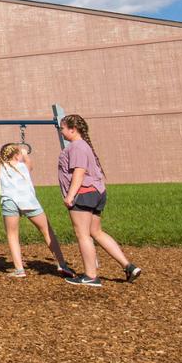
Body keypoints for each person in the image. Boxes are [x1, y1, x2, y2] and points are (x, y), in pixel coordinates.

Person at [57, 114, 140, 288]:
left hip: (84, 194)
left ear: (73, 129)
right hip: (96, 192)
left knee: (83, 234)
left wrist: (70, 196)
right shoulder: (83, 146)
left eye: (63, 127)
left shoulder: (77, 147)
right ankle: (128, 266)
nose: (61, 130)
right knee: (96, 232)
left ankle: (90, 276)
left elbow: (79, 172)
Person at [0, 136, 70, 279]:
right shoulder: (25, 166)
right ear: (17, 156)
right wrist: (25, 152)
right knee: (47, 231)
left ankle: (19, 269)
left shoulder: (0, 168)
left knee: (12, 235)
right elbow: (29, 161)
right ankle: (62, 264)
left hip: (10, 202)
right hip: (29, 202)